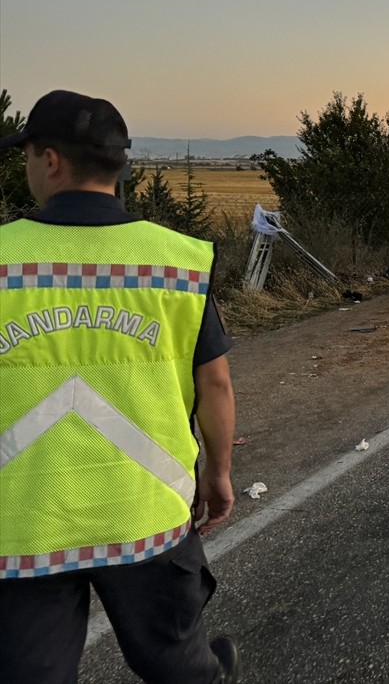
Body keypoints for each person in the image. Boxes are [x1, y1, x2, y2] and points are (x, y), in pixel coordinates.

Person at [0, 91, 241, 684]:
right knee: (176, 662)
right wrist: (218, 473)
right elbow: (214, 382)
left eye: (27, 155)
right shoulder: (176, 262)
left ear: (50, 160)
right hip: (145, 514)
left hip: (21, 526)